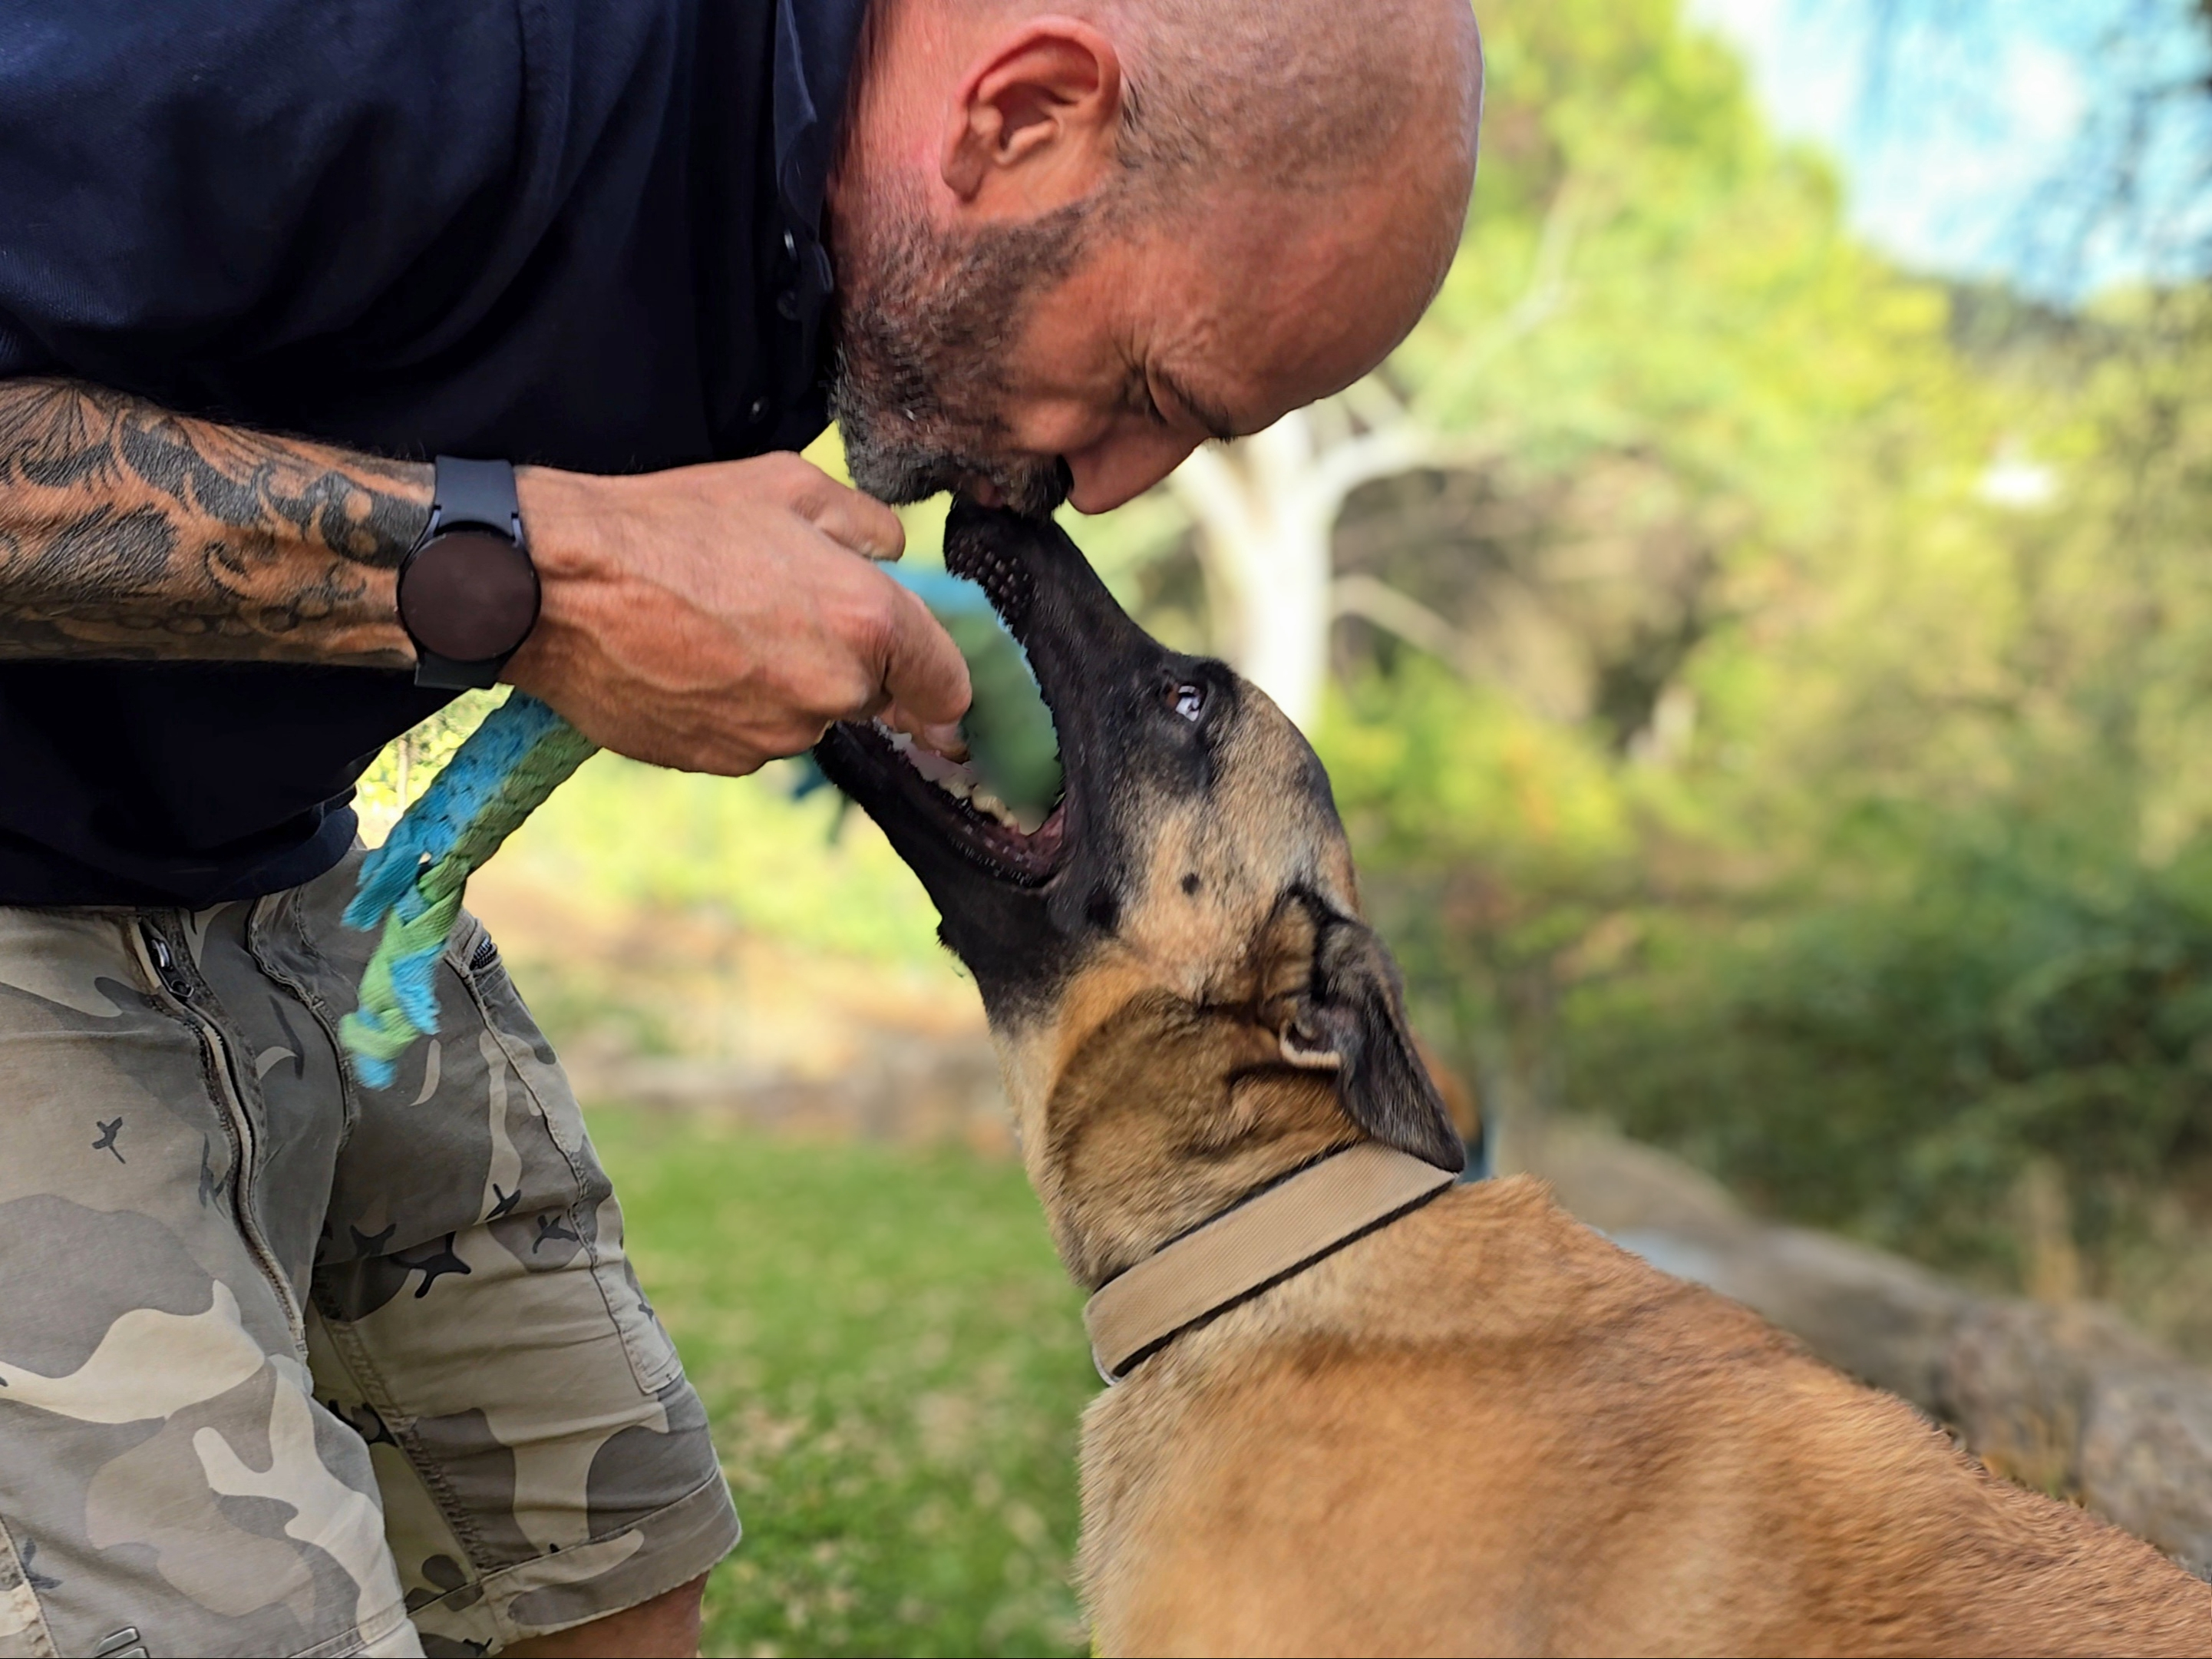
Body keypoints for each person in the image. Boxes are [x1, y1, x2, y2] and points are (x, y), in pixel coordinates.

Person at [0, 0, 1483, 1651]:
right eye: (1149, 388)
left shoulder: (832, 235)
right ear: (1019, 115)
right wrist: (526, 570)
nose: (1122, 487)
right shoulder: (407, 46)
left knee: (603, 1553)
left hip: (268, 869)